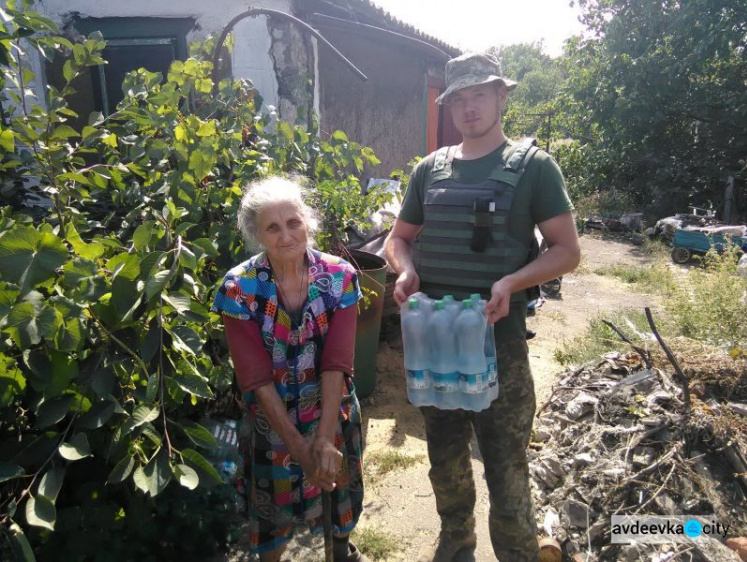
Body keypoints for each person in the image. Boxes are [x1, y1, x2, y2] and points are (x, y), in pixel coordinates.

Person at [385, 53, 580, 562]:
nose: (468, 108)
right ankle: (456, 543)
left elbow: (567, 250)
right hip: (436, 341)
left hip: (501, 344)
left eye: (479, 95)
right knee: (445, 457)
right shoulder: (431, 170)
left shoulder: (534, 167)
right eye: (459, 99)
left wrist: (513, 282)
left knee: (506, 464)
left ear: (501, 96)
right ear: (448, 106)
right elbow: (398, 238)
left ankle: (516, 552)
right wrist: (405, 270)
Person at [212, 176, 369, 562]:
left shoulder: (339, 278)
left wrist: (324, 437)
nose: (286, 236)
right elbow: (256, 379)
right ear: (257, 235)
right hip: (272, 421)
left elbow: (337, 364)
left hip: (332, 414)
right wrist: (298, 447)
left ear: (308, 223)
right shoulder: (240, 289)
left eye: (293, 222)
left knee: (339, 496)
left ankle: (341, 549)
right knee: (273, 518)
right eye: (272, 227)